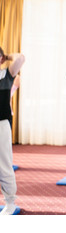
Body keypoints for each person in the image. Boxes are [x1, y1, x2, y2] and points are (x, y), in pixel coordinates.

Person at [0, 47, 25, 215]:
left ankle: (10, 202)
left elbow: (21, 58)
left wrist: (6, 56)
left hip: (1, 123)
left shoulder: (6, 75)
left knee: (4, 164)